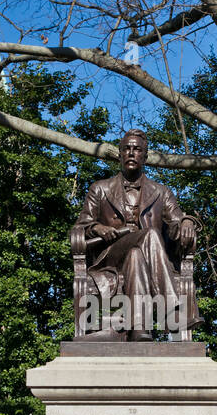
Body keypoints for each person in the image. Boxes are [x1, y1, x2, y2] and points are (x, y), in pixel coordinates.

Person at [75, 128, 200, 339]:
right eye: (126, 149)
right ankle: (173, 312)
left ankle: (140, 330)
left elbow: (177, 222)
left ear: (145, 156)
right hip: (111, 256)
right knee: (150, 234)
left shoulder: (161, 192)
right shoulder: (100, 188)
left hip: (145, 259)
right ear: (120, 154)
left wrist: (188, 221)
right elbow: (81, 226)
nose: (131, 153)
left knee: (136, 255)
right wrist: (98, 228)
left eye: (137, 149)